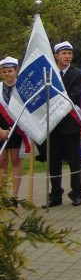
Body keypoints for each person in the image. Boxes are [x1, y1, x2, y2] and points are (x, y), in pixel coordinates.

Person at [45, 41, 81, 207]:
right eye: (63, 53)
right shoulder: (49, 74)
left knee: (74, 160)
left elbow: (74, 96)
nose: (67, 56)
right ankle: (55, 195)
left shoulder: (78, 74)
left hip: (70, 123)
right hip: (52, 124)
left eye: (69, 53)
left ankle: (76, 193)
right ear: (56, 56)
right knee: (53, 161)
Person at [0, 57, 24, 206]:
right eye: (4, 71)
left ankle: (14, 196)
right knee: (1, 162)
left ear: (16, 71)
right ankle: (2, 194)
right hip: (1, 128)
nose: (8, 74)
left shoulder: (22, 87)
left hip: (17, 128)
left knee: (16, 160)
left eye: (10, 71)